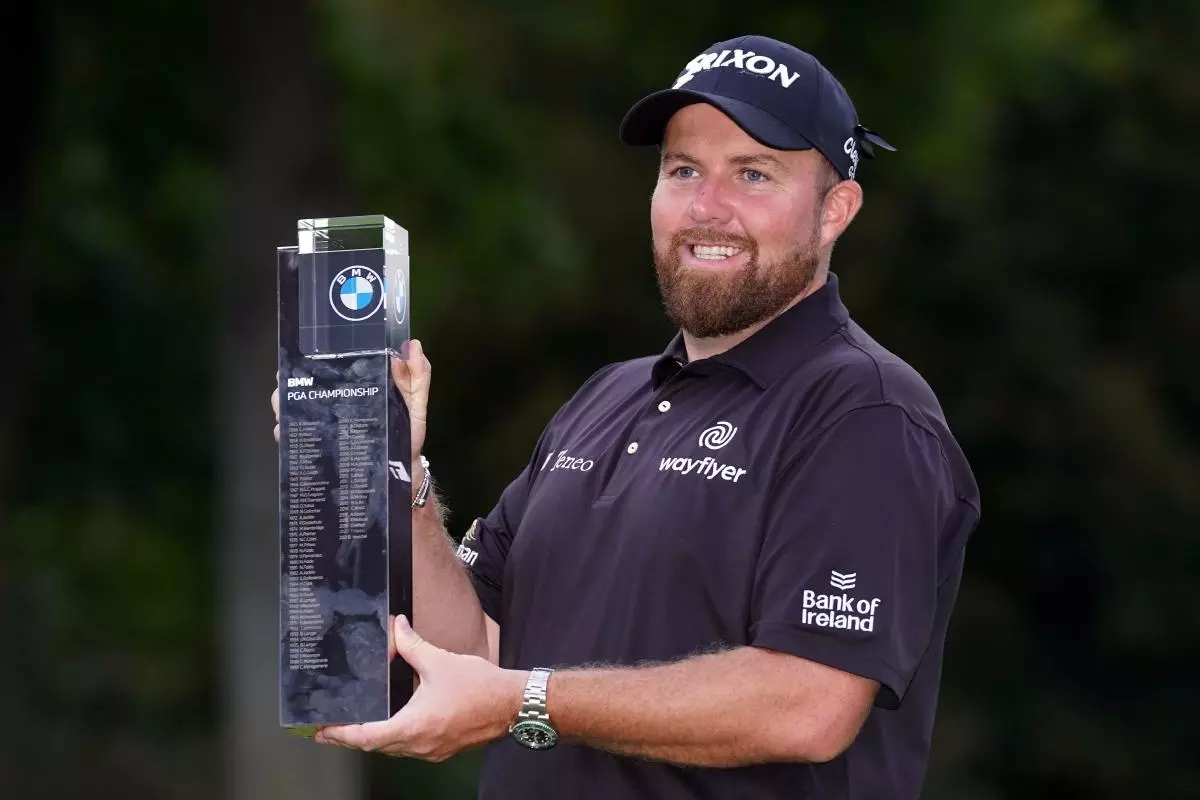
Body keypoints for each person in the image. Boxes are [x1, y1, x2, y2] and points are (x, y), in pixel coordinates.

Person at [273, 34, 981, 800]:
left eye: (753, 173)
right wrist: (394, 474)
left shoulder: (865, 412)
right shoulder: (606, 399)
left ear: (835, 209)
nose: (707, 209)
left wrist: (524, 701)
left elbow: (806, 705)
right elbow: (480, 648)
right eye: (683, 170)